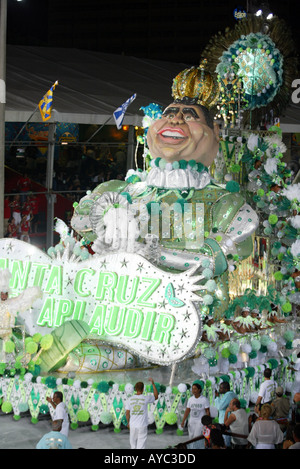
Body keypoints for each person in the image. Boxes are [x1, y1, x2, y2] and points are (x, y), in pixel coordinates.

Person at [125, 377, 158, 449]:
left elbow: (127, 413)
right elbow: (156, 396)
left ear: (135, 389)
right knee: (141, 446)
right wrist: (153, 384)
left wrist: (128, 423)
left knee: (133, 445)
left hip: (133, 425)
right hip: (142, 425)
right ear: (143, 389)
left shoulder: (129, 399)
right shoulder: (146, 398)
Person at [181, 382, 210, 449]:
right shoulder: (190, 399)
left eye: (195, 389)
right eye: (192, 389)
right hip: (192, 420)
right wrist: (183, 421)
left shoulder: (204, 399)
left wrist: (208, 423)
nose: (193, 390)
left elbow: (207, 411)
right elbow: (187, 410)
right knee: (191, 437)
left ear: (199, 390)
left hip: (200, 421)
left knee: (197, 436)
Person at [214, 381, 237, 447]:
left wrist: (217, 397)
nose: (219, 390)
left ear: (226, 389)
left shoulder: (228, 395)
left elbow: (219, 407)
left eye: (221, 388)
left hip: (226, 421)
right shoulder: (232, 394)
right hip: (229, 420)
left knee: (226, 441)